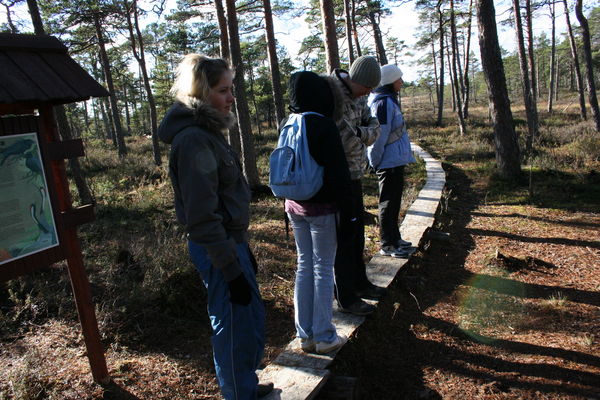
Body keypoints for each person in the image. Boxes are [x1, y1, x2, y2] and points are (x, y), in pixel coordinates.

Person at [158, 54, 271, 400]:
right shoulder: (194, 140)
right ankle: (239, 394)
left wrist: (241, 248)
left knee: (248, 319)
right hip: (217, 247)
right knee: (233, 326)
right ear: (202, 93)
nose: (231, 97)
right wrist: (229, 266)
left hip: (231, 242)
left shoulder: (209, 133)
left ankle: (244, 385)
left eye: (231, 89)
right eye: (223, 90)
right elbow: (202, 217)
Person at [280, 71, 354, 354]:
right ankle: (324, 336)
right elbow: (339, 175)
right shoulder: (324, 125)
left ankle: (305, 335)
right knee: (323, 268)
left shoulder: (288, 122)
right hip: (321, 208)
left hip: (293, 205)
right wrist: (350, 212)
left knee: (303, 266)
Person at [322, 55, 386, 316]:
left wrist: (362, 132)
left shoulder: (360, 95)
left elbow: (373, 128)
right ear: (355, 80)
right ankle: (346, 297)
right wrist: (362, 133)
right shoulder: (330, 92)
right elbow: (342, 137)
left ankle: (360, 284)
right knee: (344, 239)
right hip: (337, 178)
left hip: (355, 174)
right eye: (367, 88)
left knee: (356, 234)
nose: (369, 94)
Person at [367, 64, 416, 258]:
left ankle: (395, 239)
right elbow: (379, 135)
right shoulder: (383, 103)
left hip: (394, 161)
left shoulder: (388, 100)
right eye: (399, 79)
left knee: (394, 202)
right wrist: (374, 161)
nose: (402, 82)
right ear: (389, 81)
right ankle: (388, 244)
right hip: (387, 162)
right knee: (388, 203)